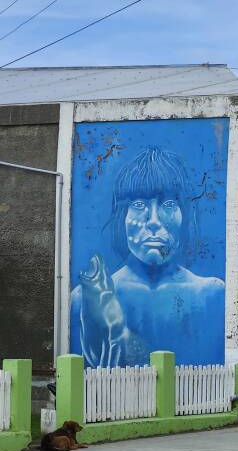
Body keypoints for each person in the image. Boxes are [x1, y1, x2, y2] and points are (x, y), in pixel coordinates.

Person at [70, 147, 224, 368]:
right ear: (121, 217)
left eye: (169, 204)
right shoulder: (84, 300)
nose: (153, 220)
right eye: (138, 205)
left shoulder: (212, 295)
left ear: (185, 216)